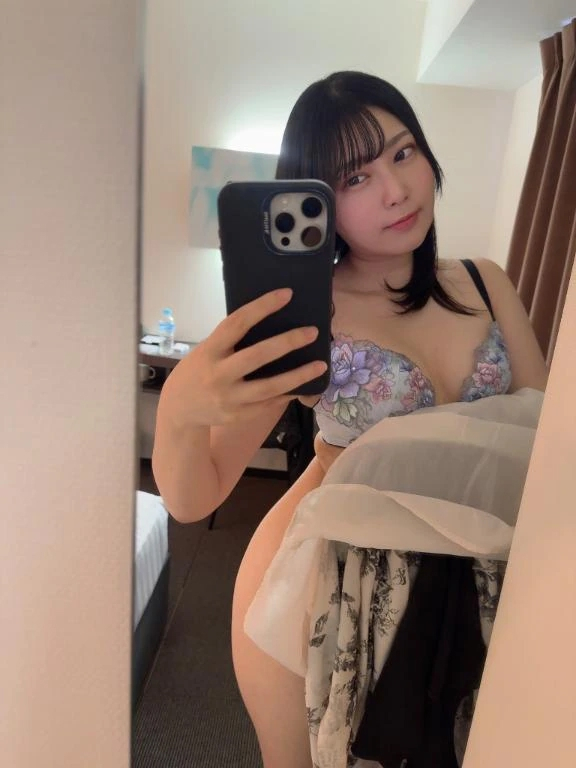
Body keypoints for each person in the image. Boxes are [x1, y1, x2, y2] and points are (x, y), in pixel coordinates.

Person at [152, 71, 548, 768]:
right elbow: (196, 495)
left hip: (492, 572)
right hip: (333, 581)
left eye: (402, 152)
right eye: (355, 178)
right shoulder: (307, 315)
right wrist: (179, 413)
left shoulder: (486, 281)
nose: (395, 189)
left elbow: (545, 443)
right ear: (321, 201)